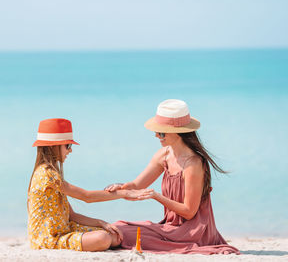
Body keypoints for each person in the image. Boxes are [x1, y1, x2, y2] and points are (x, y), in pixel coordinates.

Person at [105, 99, 240, 254]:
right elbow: (136, 186)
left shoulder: (193, 164)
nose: (156, 135)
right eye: (156, 131)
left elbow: (189, 211)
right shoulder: (164, 155)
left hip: (193, 232)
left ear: (179, 131)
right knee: (120, 226)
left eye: (161, 132)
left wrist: (157, 196)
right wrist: (120, 187)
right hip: (171, 228)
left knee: (125, 235)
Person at [27, 118, 148, 252]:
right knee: (104, 238)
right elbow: (87, 196)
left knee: (114, 236)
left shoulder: (51, 173)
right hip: (49, 239)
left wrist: (101, 223)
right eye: (67, 146)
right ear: (52, 146)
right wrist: (124, 193)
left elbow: (71, 216)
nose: (70, 151)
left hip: (64, 229)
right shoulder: (47, 174)